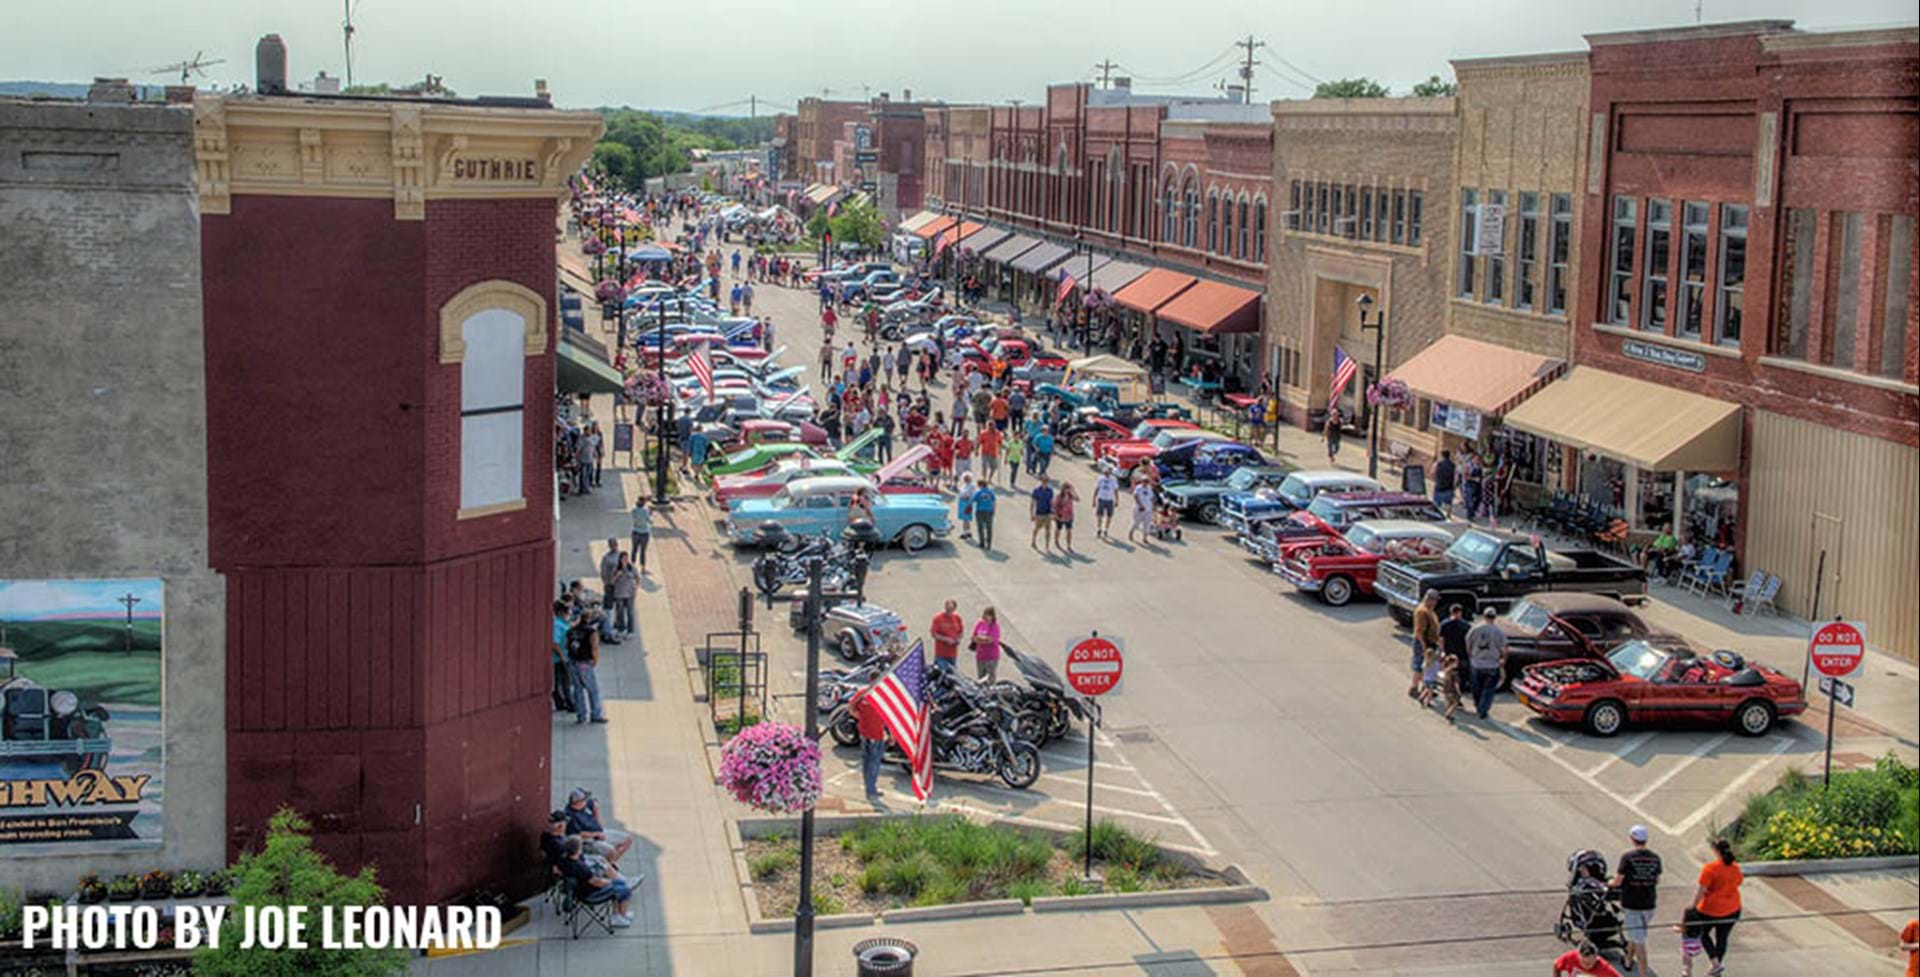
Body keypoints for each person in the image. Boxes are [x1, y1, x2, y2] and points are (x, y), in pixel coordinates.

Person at [1681, 838, 1743, 977]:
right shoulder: (1735, 868)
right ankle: (1716, 967)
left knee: (1703, 934)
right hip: (1732, 908)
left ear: (1715, 851)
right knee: (1722, 938)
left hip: (1710, 909)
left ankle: (1715, 962)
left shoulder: (1710, 869)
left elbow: (1702, 890)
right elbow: (1738, 883)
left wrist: (1693, 906)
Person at [1612, 824, 1663, 976]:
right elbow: (1657, 879)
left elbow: (1619, 880)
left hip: (1632, 904)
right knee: (1637, 934)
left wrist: (1609, 884)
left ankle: (1642, 973)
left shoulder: (1627, 857)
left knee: (1639, 940)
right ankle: (1628, 960)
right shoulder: (1655, 858)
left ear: (1632, 839)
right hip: (1649, 903)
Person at [558, 836, 634, 927]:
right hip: (590, 894)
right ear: (578, 850)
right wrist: (610, 881)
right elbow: (597, 882)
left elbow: (557, 870)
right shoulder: (581, 868)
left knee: (619, 883)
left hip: (577, 891)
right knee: (624, 889)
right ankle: (616, 918)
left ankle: (621, 914)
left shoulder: (564, 860)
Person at [564, 786, 634, 865]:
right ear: (577, 802)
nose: (586, 801)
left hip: (599, 832)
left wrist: (599, 824)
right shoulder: (570, 816)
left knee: (628, 840)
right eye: (584, 800)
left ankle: (609, 865)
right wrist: (596, 834)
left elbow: (594, 804)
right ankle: (607, 869)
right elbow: (578, 835)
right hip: (588, 840)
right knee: (611, 851)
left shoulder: (585, 804)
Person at [1465, 605, 1508, 720]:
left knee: (1476, 687)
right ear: (1495, 617)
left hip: (1476, 663)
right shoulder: (1499, 632)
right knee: (1488, 689)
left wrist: (1471, 655)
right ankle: (1483, 710)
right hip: (1492, 664)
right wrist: (1503, 659)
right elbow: (1504, 648)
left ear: (1484, 616)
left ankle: (1478, 705)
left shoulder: (1474, 629)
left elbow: (1468, 644)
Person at [850, 682, 890, 804]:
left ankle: (870, 787)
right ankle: (871, 789)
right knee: (874, 762)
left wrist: (861, 718)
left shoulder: (862, 693)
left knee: (867, 761)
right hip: (876, 734)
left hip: (864, 732)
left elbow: (851, 707)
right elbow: (888, 717)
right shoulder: (882, 695)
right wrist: (892, 735)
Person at [567, 608, 607, 724]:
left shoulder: (571, 630)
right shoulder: (591, 632)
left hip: (573, 661)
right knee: (593, 689)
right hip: (585, 663)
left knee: (577, 689)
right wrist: (595, 660)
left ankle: (581, 715)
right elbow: (594, 648)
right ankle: (595, 714)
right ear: (589, 619)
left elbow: (567, 644)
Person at [1410, 591, 1441, 701]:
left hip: (1430, 641)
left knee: (1428, 667)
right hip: (1423, 642)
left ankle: (1426, 689)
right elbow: (1419, 631)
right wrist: (1424, 646)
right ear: (1428, 599)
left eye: (1436, 600)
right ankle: (1414, 688)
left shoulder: (1429, 610)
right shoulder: (1422, 611)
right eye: (1434, 600)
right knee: (1420, 665)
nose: (1435, 602)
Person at [551, 600, 576, 713]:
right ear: (561, 612)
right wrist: (562, 656)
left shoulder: (561, 623)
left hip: (563, 656)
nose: (569, 614)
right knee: (564, 681)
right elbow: (555, 643)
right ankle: (567, 703)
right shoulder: (557, 625)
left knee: (563, 681)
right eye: (568, 612)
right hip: (559, 658)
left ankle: (563, 702)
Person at [597, 540, 624, 643]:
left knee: (620, 607)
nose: (614, 547)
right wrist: (607, 583)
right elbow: (603, 573)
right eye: (612, 545)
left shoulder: (620, 556)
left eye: (615, 545)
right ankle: (608, 631)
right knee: (608, 609)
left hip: (621, 586)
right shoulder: (607, 558)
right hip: (611, 586)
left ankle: (617, 626)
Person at [608, 552, 638, 639]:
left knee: (630, 612)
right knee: (619, 612)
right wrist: (617, 576)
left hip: (630, 593)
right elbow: (612, 582)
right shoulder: (616, 569)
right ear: (620, 559)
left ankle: (630, 630)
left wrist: (635, 588)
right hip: (619, 593)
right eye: (623, 558)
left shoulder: (632, 568)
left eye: (626, 558)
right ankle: (621, 628)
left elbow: (637, 578)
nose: (625, 560)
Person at [930, 600, 965, 672]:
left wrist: (958, 639)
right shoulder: (938, 618)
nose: (949, 611)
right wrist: (946, 639)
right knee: (942, 674)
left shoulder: (957, 618)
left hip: (952, 654)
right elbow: (933, 634)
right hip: (941, 654)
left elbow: (961, 632)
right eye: (947, 608)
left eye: (951, 609)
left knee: (952, 674)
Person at [970, 607, 1002, 682]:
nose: (986, 618)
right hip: (980, 656)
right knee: (981, 678)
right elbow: (973, 637)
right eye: (985, 615)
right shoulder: (980, 624)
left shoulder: (995, 626)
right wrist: (983, 639)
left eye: (988, 616)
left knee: (990, 679)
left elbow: (991, 640)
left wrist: (980, 640)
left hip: (991, 657)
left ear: (992, 616)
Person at [1552, 942, 1621, 977]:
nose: (1586, 966)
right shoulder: (1570, 957)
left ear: (1596, 958)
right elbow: (1556, 965)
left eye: (1590, 963)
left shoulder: (1604, 967)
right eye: (1583, 962)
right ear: (1578, 956)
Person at [1052, 480, 1079, 554]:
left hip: (1069, 516)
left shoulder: (1071, 496)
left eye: (1068, 488)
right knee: (1058, 529)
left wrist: (1073, 490)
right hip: (1060, 516)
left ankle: (1068, 545)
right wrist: (1055, 515)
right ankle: (1056, 541)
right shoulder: (1059, 496)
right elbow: (1055, 506)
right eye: (1066, 488)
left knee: (1069, 531)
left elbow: (1077, 499)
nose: (1067, 490)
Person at [1029, 476, 1055, 552]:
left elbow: (1051, 502)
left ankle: (1047, 546)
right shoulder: (1036, 490)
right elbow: (1033, 502)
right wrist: (1032, 514)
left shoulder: (1050, 491)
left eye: (1046, 482)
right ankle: (1033, 541)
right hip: (1039, 513)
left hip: (1047, 512)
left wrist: (1053, 512)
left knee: (1048, 530)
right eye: (1043, 482)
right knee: (1037, 528)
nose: (1045, 483)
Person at [1093, 468, 1120, 539]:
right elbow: (1097, 488)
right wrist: (1094, 499)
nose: (1106, 474)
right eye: (1105, 473)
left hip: (1109, 500)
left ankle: (1106, 529)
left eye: (1108, 473)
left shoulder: (1113, 479)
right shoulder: (1100, 479)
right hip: (1101, 499)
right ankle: (1099, 528)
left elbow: (1116, 490)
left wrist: (1117, 500)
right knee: (1099, 515)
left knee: (1109, 516)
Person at [1128, 476, 1154, 544]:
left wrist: (1152, 506)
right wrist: (1140, 505)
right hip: (1139, 509)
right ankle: (1131, 533)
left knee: (1147, 524)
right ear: (1142, 481)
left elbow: (1151, 498)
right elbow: (1136, 496)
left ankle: (1145, 538)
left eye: (1147, 481)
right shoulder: (1138, 488)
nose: (1146, 483)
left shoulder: (1149, 488)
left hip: (1148, 509)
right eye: (1144, 481)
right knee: (1136, 523)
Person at [973, 480, 997, 550]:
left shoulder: (978, 492)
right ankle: (989, 544)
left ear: (980, 485)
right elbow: (994, 501)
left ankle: (982, 543)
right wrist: (994, 510)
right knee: (989, 528)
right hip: (989, 511)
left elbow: (973, 500)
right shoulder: (991, 492)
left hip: (980, 511)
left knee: (980, 527)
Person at [631, 500, 653, 574]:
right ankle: (643, 568)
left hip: (635, 531)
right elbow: (650, 521)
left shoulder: (634, 509)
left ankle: (632, 565)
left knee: (634, 549)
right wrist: (651, 515)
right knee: (643, 551)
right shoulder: (645, 510)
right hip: (644, 532)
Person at [1432, 450, 1457, 514]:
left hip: (1439, 486)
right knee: (1448, 504)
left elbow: (1432, 473)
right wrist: (1454, 486)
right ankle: (1448, 515)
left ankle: (1437, 516)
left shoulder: (1438, 464)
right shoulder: (1453, 465)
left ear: (1442, 456)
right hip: (1449, 487)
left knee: (1437, 505)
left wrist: (1436, 479)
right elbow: (1456, 477)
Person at [956, 471, 978, 541]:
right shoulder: (965, 485)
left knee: (965, 518)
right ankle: (968, 531)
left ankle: (965, 532)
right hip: (963, 502)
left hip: (967, 502)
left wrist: (969, 503)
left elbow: (971, 495)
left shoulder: (971, 485)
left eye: (967, 478)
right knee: (966, 518)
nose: (965, 479)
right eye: (964, 478)